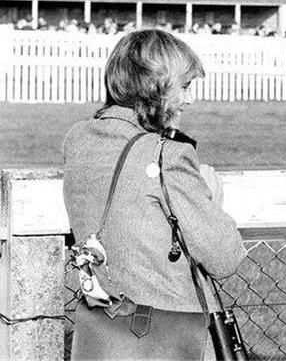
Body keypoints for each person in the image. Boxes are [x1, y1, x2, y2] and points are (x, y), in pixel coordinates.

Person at [63, 29, 246, 359]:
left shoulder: (79, 140)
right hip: (168, 337)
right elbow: (224, 257)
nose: (190, 100)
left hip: (102, 333)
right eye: (185, 87)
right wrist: (210, 198)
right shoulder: (167, 156)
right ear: (155, 87)